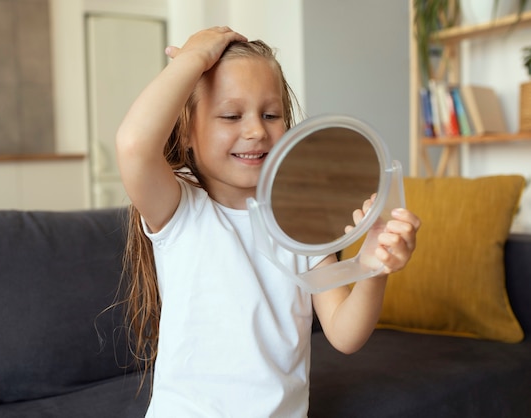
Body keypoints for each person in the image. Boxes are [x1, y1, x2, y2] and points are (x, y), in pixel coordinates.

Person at [115, 26, 421, 417]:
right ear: (187, 132)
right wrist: (194, 58)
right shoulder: (179, 209)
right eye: (231, 114)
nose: (257, 130)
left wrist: (373, 267)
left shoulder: (302, 220)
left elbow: (345, 334)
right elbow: (133, 144)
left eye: (271, 114)